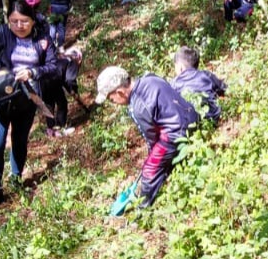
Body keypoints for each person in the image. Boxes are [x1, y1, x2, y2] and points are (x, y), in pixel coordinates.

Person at [0, 1, 60, 203]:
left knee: (19, 141)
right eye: (14, 21)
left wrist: (33, 72)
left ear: (33, 21)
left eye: (24, 21)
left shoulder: (42, 40)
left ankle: (16, 179)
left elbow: (54, 66)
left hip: (26, 99)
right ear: (8, 21)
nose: (19, 26)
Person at [96, 65, 199, 210]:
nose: (114, 103)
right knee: (158, 159)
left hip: (176, 132)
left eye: (111, 99)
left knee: (150, 168)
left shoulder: (137, 106)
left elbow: (152, 137)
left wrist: (152, 158)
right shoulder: (149, 78)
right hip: (192, 117)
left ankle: (143, 208)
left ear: (120, 92)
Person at [170, 46, 227, 123]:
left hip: (189, 123)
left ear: (180, 67)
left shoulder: (173, 84)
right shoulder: (206, 75)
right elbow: (224, 88)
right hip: (213, 117)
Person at [43, 46, 85, 138]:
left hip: (43, 80)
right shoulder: (72, 62)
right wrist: (73, 91)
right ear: (78, 58)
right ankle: (60, 128)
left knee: (49, 104)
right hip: (54, 81)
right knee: (62, 103)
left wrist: (71, 90)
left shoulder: (60, 57)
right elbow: (69, 79)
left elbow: (64, 79)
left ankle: (50, 129)